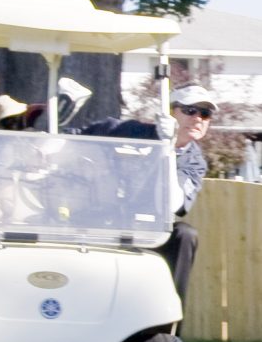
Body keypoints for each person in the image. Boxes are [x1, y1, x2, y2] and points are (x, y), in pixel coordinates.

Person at [76, 83, 213, 306]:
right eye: (190, 110)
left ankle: (170, 318)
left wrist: (168, 149)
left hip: (151, 232)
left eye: (205, 114)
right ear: (170, 112)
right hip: (106, 222)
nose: (198, 118)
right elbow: (76, 137)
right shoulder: (132, 131)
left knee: (185, 235)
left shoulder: (194, 161)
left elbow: (172, 205)